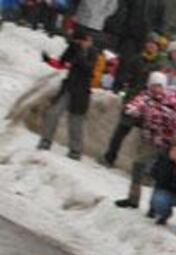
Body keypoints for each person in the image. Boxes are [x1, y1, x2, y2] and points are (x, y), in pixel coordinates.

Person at [115, 72, 176, 209]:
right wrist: (131, 109)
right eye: (153, 85)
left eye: (159, 86)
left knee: (162, 172)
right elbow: (136, 105)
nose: (156, 89)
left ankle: (156, 205)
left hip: (170, 140)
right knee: (138, 165)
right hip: (151, 138)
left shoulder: (174, 93)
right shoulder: (145, 97)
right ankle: (133, 198)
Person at [101, 32, 164, 167]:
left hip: (149, 104)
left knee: (148, 139)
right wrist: (127, 94)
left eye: (155, 44)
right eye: (150, 43)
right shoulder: (137, 59)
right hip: (133, 100)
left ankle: (142, 169)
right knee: (121, 131)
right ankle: (109, 158)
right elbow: (127, 77)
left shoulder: (159, 65)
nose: (152, 46)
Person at [37, 29, 98, 160]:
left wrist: (81, 53)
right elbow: (62, 63)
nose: (79, 43)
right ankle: (45, 141)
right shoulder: (74, 48)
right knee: (52, 113)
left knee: (75, 121)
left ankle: (75, 151)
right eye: (78, 41)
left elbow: (88, 68)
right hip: (69, 87)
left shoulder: (93, 52)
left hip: (82, 91)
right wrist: (48, 60)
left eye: (82, 41)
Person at [112, 0, 166, 92]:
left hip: (148, 39)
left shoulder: (160, 3)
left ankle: (139, 92)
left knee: (143, 69)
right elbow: (123, 12)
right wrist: (122, 31)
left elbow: (160, 22)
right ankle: (119, 89)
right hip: (130, 37)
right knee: (125, 65)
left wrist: (155, 38)